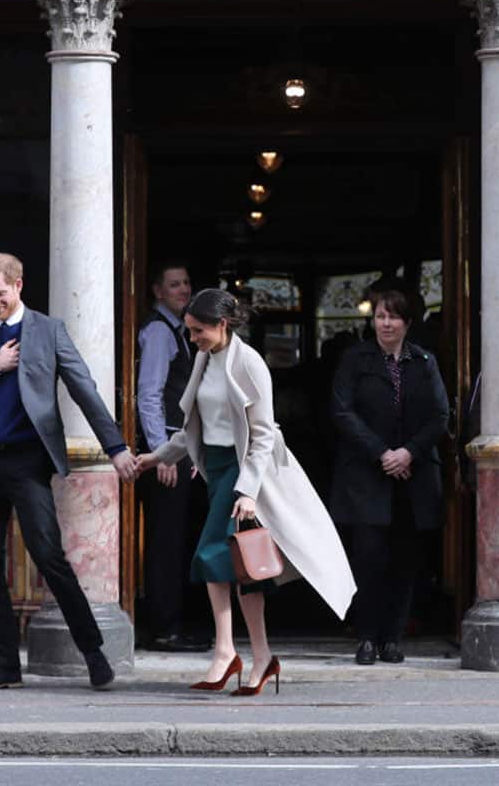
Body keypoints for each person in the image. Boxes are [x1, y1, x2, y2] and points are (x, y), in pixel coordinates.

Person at [136, 288, 356, 696]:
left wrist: (248, 492)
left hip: (241, 471)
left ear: (222, 325)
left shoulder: (250, 363)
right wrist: (157, 457)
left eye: (199, 330)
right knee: (241, 567)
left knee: (212, 555)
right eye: (189, 331)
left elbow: (262, 435)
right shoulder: (206, 357)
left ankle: (225, 652)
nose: (192, 338)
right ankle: (261, 655)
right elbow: (195, 429)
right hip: (217, 469)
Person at [0, 252, 139, 692]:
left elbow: (83, 388)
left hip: (28, 461)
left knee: (50, 556)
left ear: (18, 285)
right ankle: (6, 665)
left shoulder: (48, 331)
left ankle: (94, 653)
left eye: (0, 293)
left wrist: (116, 447)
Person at [329, 286, 448, 665]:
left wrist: (408, 452)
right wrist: (382, 453)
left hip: (412, 477)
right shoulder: (355, 359)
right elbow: (342, 411)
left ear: (407, 322)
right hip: (367, 475)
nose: (386, 323)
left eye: (393, 317)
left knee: (405, 559)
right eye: (380, 316)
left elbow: (440, 416)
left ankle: (393, 638)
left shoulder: (424, 361)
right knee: (368, 558)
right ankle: (366, 636)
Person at [136, 261, 208, 653]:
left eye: (186, 283)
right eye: (174, 284)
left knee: (176, 538)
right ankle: (163, 629)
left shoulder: (180, 330)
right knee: (165, 541)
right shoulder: (159, 332)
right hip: (165, 451)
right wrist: (159, 455)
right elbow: (148, 394)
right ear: (157, 291)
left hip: (179, 448)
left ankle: (172, 623)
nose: (183, 290)